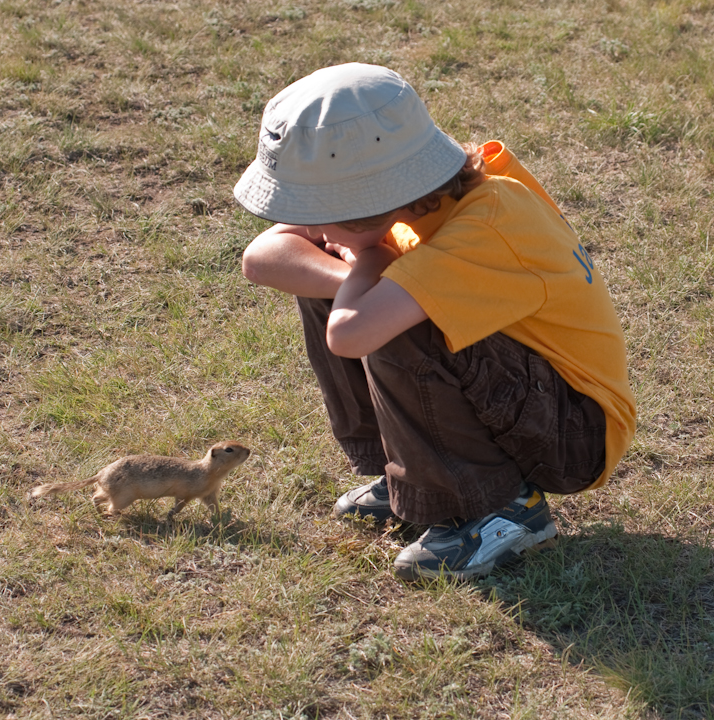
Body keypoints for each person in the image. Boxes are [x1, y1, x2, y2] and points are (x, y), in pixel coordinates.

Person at [234, 63, 636, 582]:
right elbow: (261, 257)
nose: (306, 224)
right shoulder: (415, 200)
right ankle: (410, 472)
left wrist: (371, 260)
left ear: (365, 203)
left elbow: (350, 334)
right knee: (333, 286)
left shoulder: (487, 223)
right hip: (527, 399)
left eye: (313, 208)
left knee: (384, 314)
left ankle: (501, 507)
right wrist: (360, 263)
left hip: (572, 434)